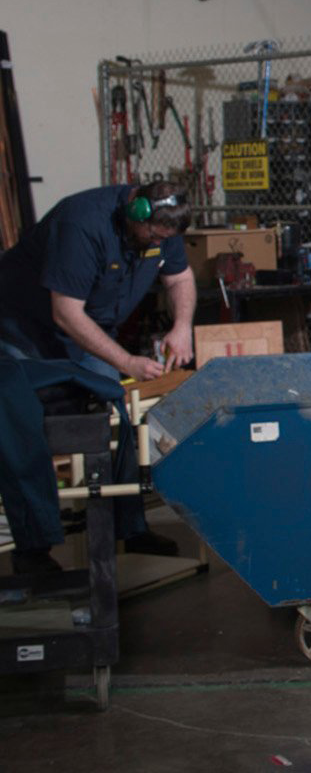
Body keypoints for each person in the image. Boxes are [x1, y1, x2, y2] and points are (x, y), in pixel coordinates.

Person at [0, 181, 196, 573]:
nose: (158, 242)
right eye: (154, 235)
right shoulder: (81, 225)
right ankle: (33, 545)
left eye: (165, 237)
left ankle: (130, 528)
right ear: (135, 212)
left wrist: (182, 326)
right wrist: (126, 361)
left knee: (117, 406)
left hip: (84, 331)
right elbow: (65, 313)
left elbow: (179, 278)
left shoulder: (164, 226)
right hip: (22, 329)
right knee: (21, 422)